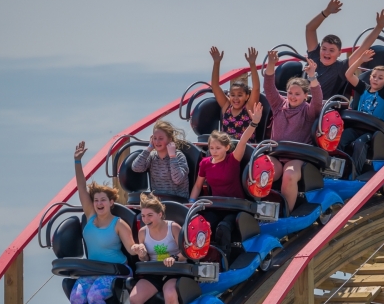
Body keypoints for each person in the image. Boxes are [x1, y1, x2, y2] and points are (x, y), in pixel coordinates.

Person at [71, 141, 137, 304]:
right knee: (76, 298)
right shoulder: (91, 216)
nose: (99, 203)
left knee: (94, 297)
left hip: (116, 270)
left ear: (111, 202)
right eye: (96, 200)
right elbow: (81, 188)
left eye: (103, 200)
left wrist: (138, 248)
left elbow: (131, 247)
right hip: (94, 270)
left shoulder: (118, 223)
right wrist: (77, 161)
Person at [189, 104, 263, 255]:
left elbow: (243, 141)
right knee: (203, 225)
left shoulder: (232, 160)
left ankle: (224, 258)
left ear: (227, 147)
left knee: (223, 227)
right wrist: (191, 203)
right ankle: (203, 256)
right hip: (216, 206)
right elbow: (197, 186)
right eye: (212, 148)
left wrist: (254, 122)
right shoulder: (205, 163)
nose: (214, 151)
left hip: (234, 207)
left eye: (218, 148)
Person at [336, 46, 384, 172]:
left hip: (372, 130)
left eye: (380, 78)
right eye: (374, 76)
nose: (376, 79)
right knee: (340, 138)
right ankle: (339, 169)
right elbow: (348, 74)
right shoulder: (363, 88)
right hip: (357, 126)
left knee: (359, 143)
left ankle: (355, 173)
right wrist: (361, 60)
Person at [263, 50, 323, 212]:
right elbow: (269, 88)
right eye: (290, 93)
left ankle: (286, 213)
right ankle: (261, 210)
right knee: (262, 170)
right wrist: (271, 64)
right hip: (277, 154)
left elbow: (318, 101)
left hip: (297, 157)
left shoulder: (308, 111)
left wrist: (312, 76)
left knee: (289, 175)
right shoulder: (278, 105)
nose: (292, 97)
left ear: (305, 96)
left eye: (297, 94)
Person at [305, 0, 384, 99]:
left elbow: (363, 48)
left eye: (331, 50)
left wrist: (379, 27)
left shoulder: (340, 67)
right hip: (301, 102)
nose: (327, 53)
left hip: (321, 106)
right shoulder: (314, 57)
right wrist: (326, 12)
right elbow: (310, 29)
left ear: (339, 53)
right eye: (324, 49)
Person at [129, 193, 185, 304]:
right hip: (154, 272)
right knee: (134, 299)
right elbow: (145, 259)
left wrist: (174, 258)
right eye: (143, 216)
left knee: (170, 293)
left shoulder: (174, 228)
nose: (145, 219)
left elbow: (186, 253)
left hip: (174, 271)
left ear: (160, 214)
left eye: (150, 215)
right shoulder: (142, 232)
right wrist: (142, 254)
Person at [209, 46, 261, 139]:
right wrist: (216, 62)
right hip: (226, 146)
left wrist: (252, 64)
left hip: (244, 146)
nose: (236, 98)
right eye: (233, 95)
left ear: (247, 96)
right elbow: (215, 87)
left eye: (240, 95)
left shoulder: (248, 108)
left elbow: (256, 88)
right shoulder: (227, 106)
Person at [131, 120, 190, 199]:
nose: (157, 141)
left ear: (170, 139)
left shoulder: (179, 156)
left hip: (177, 200)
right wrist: (149, 148)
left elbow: (178, 180)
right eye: (155, 138)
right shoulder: (152, 156)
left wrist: (172, 157)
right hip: (157, 201)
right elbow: (136, 167)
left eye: (161, 138)